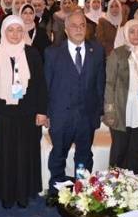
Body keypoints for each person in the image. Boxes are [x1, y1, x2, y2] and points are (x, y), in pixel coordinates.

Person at [0, 15, 48, 208]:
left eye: (19, 30)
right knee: (3, 156)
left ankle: (23, 193)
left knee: (24, 155)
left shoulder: (32, 53)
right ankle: (5, 194)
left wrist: (42, 111)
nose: (15, 34)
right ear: (3, 31)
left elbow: (40, 84)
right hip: (0, 114)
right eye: (11, 30)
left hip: (26, 114)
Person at [45, 12, 105, 206]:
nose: (79, 29)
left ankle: (82, 188)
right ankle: (56, 190)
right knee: (58, 155)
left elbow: (100, 83)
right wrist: (46, 113)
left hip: (87, 116)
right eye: (74, 26)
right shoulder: (52, 53)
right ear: (66, 29)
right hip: (61, 115)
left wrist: (99, 111)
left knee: (84, 156)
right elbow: (47, 85)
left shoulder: (97, 51)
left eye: (82, 25)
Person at [103, 19, 138, 173]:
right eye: (132, 31)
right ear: (126, 34)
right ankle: (115, 183)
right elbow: (109, 84)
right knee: (120, 151)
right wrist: (109, 111)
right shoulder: (117, 54)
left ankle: (134, 183)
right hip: (123, 111)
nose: (136, 35)